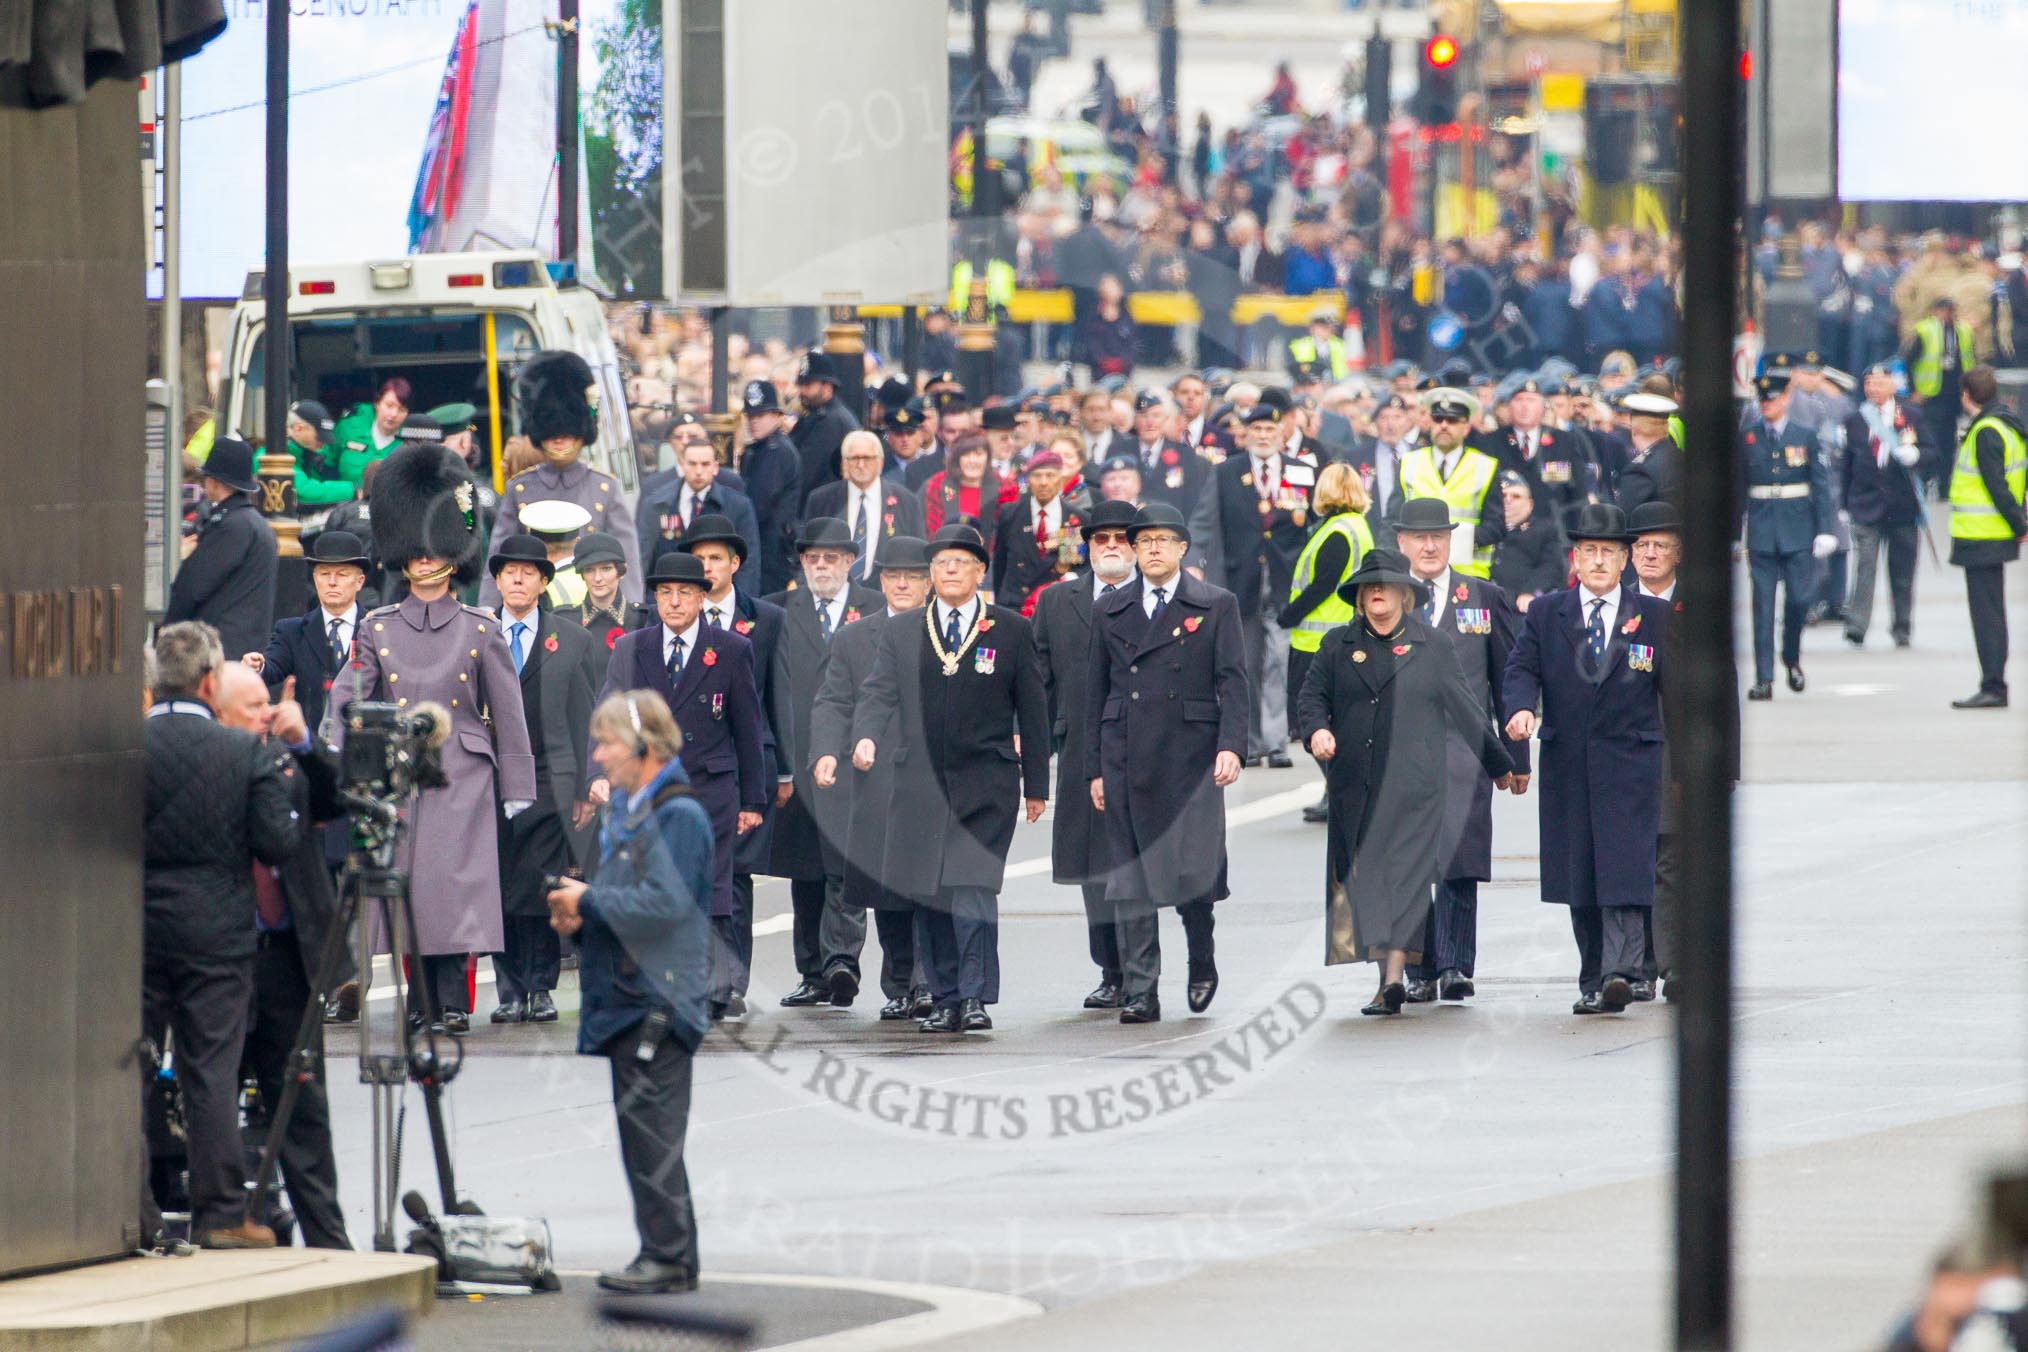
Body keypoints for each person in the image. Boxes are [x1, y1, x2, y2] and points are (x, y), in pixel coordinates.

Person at [323, 444, 536, 1034]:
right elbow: (348, 695)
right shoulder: (378, 628)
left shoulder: (480, 629)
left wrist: (518, 781)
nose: (422, 563)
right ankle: (421, 1003)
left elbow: (508, 711)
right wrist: (339, 749)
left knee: (454, 892)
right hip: (400, 776)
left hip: (463, 774)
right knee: (413, 893)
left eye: (432, 551)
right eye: (413, 553)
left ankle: (452, 1003)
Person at [850, 524, 1050, 1033]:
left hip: (987, 784)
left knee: (973, 887)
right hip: (917, 785)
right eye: (941, 563)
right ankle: (944, 997)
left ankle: (976, 995)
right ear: (930, 575)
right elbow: (877, 693)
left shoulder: (1009, 629)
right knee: (931, 893)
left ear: (980, 571)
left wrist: (1037, 787)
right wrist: (866, 736)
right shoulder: (902, 631)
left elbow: (1033, 709)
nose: (950, 570)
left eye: (962, 562)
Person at [1297, 549, 1515, 1015]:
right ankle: (1388, 975)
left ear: (1403, 593)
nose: (1376, 592)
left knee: (1404, 880)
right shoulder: (1337, 645)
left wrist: (1500, 765)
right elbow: (1311, 698)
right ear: (1358, 597)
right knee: (1370, 884)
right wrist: (1317, 730)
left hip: (1416, 786)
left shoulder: (1432, 645)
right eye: (1368, 587)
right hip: (1356, 786)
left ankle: (1393, 981)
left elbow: (1466, 709)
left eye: (1386, 585)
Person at [545, 692, 713, 1296]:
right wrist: (583, 908)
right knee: (643, 1134)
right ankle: (667, 1252)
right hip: (631, 995)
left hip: (656, 1001)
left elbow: (669, 906)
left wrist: (588, 901)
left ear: (644, 747)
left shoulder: (678, 815)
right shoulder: (637, 806)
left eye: (607, 743)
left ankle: (668, 1255)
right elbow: (633, 897)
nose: (598, 755)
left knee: (653, 1136)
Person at [143, 622, 298, 1248]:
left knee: (131, 1067)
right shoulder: (242, 753)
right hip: (218, 935)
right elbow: (277, 842)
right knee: (211, 1071)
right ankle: (221, 1215)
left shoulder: (126, 747)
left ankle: (136, 1208)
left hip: (140, 930)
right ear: (212, 681)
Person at [1502, 504, 1669, 1014]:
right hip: (1569, 762)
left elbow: (1678, 691)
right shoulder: (1548, 612)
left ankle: (1621, 971)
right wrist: (1519, 711)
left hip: (1631, 762)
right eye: (1589, 552)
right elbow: (1520, 669)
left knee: (1624, 869)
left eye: (1608, 553)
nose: (1598, 562)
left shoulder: (1656, 617)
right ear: (1575, 558)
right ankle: (1593, 977)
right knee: (1582, 876)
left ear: (1625, 561)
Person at [1085, 502, 1248, 1022]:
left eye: (1163, 540)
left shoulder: (1215, 604)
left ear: (1182, 549)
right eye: (1144, 541)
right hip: (1127, 752)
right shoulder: (1109, 609)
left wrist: (1231, 745)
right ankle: (1141, 988)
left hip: (1192, 755)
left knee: (1193, 875)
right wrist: (1093, 766)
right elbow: (1093, 692)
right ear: (1133, 551)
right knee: (1132, 877)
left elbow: (1233, 680)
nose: (1153, 549)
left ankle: (1202, 959)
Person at [212, 663, 351, 1250]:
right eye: (252, 708)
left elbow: (335, 800)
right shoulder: (208, 763)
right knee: (217, 1096)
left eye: (268, 704)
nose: (264, 715)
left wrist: (304, 742)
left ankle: (329, 1240)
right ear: (215, 711)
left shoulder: (284, 758)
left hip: (289, 955)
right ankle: (231, 1218)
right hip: (226, 954)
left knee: (303, 1101)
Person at [1387, 498, 1531, 1003]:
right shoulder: (1386, 596)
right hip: (1401, 752)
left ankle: (1454, 965)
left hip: (1467, 751)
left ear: (1452, 542)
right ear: (1401, 542)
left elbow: (1508, 680)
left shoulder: (1484, 597)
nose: (1430, 546)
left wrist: (1517, 757)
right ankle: (1420, 968)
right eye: (1419, 537)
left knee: (1459, 860)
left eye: (1439, 537)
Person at [598, 552, 767, 960]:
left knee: (711, 889)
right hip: (648, 791)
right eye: (665, 592)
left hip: (710, 789)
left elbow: (747, 727)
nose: (674, 601)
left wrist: (753, 800)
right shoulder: (632, 647)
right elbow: (608, 716)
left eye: (685, 592)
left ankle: (716, 985)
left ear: (701, 598)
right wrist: (598, 774)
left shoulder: (730, 648)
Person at [809, 536, 934, 1020]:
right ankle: (900, 984)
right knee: (885, 890)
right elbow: (834, 700)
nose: (902, 584)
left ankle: (927, 983)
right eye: (892, 576)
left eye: (912, 576)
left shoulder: (945, 633)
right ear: (880, 582)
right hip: (873, 779)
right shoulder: (853, 637)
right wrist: (825, 752)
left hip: (928, 780)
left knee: (924, 885)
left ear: (927, 582)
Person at [768, 518, 885, 1011]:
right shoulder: (778, 609)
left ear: (849, 563)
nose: (821, 565)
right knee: (804, 872)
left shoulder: (875, 609)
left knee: (845, 864)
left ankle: (842, 961)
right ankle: (811, 970)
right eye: (813, 557)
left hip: (855, 757)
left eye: (832, 558)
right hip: (797, 755)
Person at [486, 534, 600, 1024]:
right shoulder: (478, 633)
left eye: (528, 571)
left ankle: (541, 986)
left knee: (542, 883)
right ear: (496, 579)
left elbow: (586, 716)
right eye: (508, 571)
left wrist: (586, 787)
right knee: (498, 885)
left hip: (551, 776)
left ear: (544, 581)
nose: (517, 578)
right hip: (489, 777)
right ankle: (509, 989)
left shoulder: (571, 639)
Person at [679, 514, 790, 1014]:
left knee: (736, 878)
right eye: (699, 558)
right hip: (691, 765)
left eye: (716, 558)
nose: (707, 567)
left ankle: (731, 983)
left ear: (735, 563)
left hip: (749, 763)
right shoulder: (673, 614)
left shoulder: (765, 618)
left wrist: (782, 769)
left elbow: (778, 697)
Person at [1033, 501, 1139, 1009]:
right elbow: (1039, 678)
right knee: (1093, 867)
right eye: (1102, 539)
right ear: (1088, 547)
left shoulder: (1155, 598)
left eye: (1122, 538)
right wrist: (1027, 736)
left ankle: (1140, 968)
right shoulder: (1058, 601)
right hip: (1079, 747)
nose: (1112, 546)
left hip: (1143, 747)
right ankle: (1111, 969)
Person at [1193, 402, 1317, 767]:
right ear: (1245, 434)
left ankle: (1276, 742)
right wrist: (1193, 563)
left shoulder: (1299, 471)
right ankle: (1247, 741)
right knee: (1243, 663)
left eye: (1270, 430)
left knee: (1279, 660)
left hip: (1285, 582)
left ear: (1282, 434)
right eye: (1256, 430)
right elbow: (1204, 521)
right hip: (1239, 580)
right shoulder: (1226, 472)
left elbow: (1312, 522)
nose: (1263, 436)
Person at [486, 350, 640, 609]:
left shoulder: (604, 488)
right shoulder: (520, 488)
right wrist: (488, 612)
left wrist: (631, 613)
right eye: (552, 434)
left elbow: (627, 561)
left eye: (567, 434)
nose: (559, 440)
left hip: (592, 613)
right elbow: (498, 558)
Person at [1279, 462, 1374, 824]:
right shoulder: (1355, 527)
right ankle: (1334, 791)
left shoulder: (1336, 531)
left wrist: (1288, 614)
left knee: (1312, 720)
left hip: (1318, 639)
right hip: (1338, 635)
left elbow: (1322, 585)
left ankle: (1340, 791)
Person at [1741, 368, 1839, 699]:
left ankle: (1791, 658)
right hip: (1762, 531)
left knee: (1799, 600)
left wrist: (1826, 530)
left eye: (1773, 398)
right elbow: (1738, 488)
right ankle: (1764, 677)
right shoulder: (1748, 437)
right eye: (1762, 399)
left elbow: (1821, 487)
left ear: (1787, 397)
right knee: (1763, 607)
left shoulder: (1805, 435)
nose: (1767, 404)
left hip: (1799, 529)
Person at [1948, 366, 2028, 708]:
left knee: (1986, 615)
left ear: (1966, 394)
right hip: (1992, 535)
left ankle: (1993, 686)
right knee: (1991, 611)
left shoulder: (1985, 431)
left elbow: (1997, 486)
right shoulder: (2006, 424)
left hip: (1983, 535)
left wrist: (2020, 525)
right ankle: (1994, 683)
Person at [1841, 362, 1935, 649]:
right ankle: (1857, 624)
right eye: (1869, 383)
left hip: (1903, 507)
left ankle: (1902, 626)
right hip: (1865, 504)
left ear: (1893, 385)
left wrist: (1916, 454)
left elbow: (1934, 455)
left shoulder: (1911, 416)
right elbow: (1847, 464)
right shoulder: (1856, 420)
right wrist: (1843, 503)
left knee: (1902, 571)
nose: (1873, 388)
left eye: (1879, 383)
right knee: (1865, 566)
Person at [250, 529, 372, 743]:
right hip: (308, 746)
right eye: (324, 574)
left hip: (362, 746)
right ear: (315, 579)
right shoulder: (292, 631)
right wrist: (258, 666)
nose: (332, 582)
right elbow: (272, 667)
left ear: (359, 581)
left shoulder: (375, 629)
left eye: (342, 574)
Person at [166, 436, 280, 664]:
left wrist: (167, 628)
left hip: (222, 652)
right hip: (245, 647)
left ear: (215, 481)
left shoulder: (231, 526)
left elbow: (193, 586)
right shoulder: (254, 523)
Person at [1397, 388, 1505, 578]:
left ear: (1466, 428)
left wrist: (1453, 540)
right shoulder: (1409, 462)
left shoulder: (1485, 466)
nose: (1444, 426)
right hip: (1417, 574)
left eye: (1453, 420)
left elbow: (1496, 526)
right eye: (1438, 420)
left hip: (1469, 575)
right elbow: (1393, 519)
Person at [806, 430, 928, 587]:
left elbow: (918, 554)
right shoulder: (820, 500)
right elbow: (807, 552)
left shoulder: (906, 501)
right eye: (855, 458)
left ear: (881, 462)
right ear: (844, 463)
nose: (861, 465)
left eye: (867, 458)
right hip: (833, 593)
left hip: (887, 598)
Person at [640, 438, 763, 592]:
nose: (698, 471)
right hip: (670, 603)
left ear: (716, 467)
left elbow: (748, 564)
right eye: (692, 464)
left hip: (719, 599)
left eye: (705, 464)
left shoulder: (738, 506)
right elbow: (643, 560)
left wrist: (743, 607)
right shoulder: (656, 505)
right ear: (682, 465)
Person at [992, 449, 1084, 616]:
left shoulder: (1073, 519)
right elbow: (1000, 565)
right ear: (1028, 480)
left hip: (1056, 608)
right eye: (1037, 476)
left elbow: (1071, 565)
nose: (1043, 482)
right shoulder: (1010, 514)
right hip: (1014, 607)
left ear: (1060, 478)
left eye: (1050, 475)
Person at [737, 378, 804, 595]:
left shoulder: (778, 451)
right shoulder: (757, 450)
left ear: (776, 415)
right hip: (763, 548)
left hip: (773, 551)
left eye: (760, 415)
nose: (754, 422)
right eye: (750, 416)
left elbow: (759, 505)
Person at [1901, 296, 1977, 482]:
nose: (1948, 314)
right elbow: (1908, 361)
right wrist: (1914, 391)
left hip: (1954, 393)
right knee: (1930, 437)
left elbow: (1970, 360)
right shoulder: (1925, 330)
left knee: (1949, 439)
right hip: (1931, 394)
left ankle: (1944, 481)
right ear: (1935, 311)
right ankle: (1927, 478)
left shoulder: (1963, 331)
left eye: (1951, 310)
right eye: (1944, 310)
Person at [557, 530, 653, 653]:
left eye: (606, 569)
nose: (597, 578)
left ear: (621, 572)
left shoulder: (642, 619)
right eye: (589, 570)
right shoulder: (565, 620)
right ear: (582, 574)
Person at [791, 350, 862, 511]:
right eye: (800, 384)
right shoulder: (824, 415)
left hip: (825, 512)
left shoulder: (830, 421)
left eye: (808, 385)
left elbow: (806, 474)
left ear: (828, 387)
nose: (802, 391)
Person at [1490, 471, 1568, 610]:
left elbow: (1552, 567)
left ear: (1530, 505)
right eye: (1503, 495)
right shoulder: (1486, 530)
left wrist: (1531, 592)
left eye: (1516, 496)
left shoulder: (1544, 531)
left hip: (1518, 608)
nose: (1508, 500)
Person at [332, 377, 412, 491]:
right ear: (377, 403)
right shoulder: (349, 426)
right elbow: (324, 464)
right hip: (345, 504)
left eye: (402, 409)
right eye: (389, 405)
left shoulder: (411, 442)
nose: (394, 414)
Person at [923, 432, 1005, 542]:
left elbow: (1007, 530)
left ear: (988, 457)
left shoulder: (1003, 485)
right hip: (947, 551)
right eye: (966, 455)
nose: (972, 460)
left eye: (978, 454)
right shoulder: (938, 484)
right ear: (956, 458)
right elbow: (934, 529)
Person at [281, 400, 354, 509]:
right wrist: (353, 490)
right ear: (298, 429)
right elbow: (302, 491)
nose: (323, 444)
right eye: (319, 438)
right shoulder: (272, 456)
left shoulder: (309, 456)